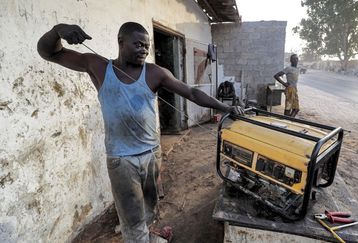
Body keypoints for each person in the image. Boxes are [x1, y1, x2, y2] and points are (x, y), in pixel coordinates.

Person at [37, 22, 243, 242]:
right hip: (122, 160)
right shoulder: (97, 66)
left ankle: (146, 236)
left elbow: (192, 92)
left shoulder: (154, 72)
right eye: (138, 44)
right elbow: (48, 52)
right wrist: (58, 30)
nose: (144, 50)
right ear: (121, 42)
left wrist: (226, 107)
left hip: (151, 154)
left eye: (146, 46)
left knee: (148, 208)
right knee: (132, 219)